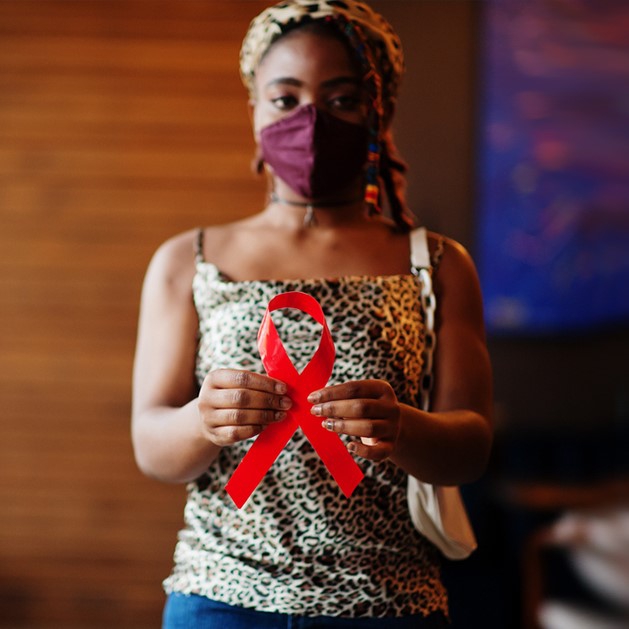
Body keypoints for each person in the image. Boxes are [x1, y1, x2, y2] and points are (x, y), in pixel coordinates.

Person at [131, 1, 493, 627]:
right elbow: (150, 444)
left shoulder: (438, 264)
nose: (311, 121)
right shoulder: (186, 260)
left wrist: (402, 426)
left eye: (341, 99)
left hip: (387, 602)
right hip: (222, 597)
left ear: (380, 111)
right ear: (254, 113)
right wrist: (202, 422)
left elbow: (472, 445)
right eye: (286, 98)